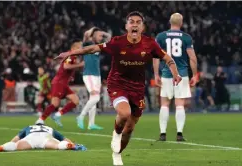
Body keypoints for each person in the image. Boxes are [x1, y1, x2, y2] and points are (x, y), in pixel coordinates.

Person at [56, 11, 181, 166]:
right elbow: (92, 48)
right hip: (118, 84)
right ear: (126, 26)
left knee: (129, 129)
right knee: (124, 112)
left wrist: (175, 74)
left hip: (137, 89)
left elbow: (168, 59)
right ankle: (116, 134)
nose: (135, 24)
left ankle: (117, 155)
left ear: (142, 27)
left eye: (138, 22)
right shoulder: (117, 42)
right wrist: (70, 53)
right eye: (131, 21)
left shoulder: (150, 44)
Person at [154, 13, 198, 141]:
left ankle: (163, 134)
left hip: (167, 74)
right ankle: (179, 133)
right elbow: (192, 57)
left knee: (164, 104)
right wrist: (194, 75)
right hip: (182, 75)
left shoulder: (161, 36)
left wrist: (156, 74)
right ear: (181, 23)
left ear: (170, 21)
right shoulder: (186, 38)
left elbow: (156, 57)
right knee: (180, 105)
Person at [35, 40, 84, 127]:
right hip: (59, 83)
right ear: (74, 48)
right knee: (55, 104)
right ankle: (40, 120)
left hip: (63, 84)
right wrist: (80, 65)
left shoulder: (74, 57)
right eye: (80, 47)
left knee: (75, 100)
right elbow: (66, 66)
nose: (82, 49)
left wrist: (71, 75)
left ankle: (57, 115)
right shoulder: (70, 55)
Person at [76, 27, 111, 130]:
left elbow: (109, 38)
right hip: (89, 74)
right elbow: (86, 34)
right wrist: (94, 31)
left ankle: (91, 124)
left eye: (101, 36)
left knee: (93, 99)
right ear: (94, 36)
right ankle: (80, 116)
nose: (101, 37)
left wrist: (102, 32)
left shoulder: (99, 46)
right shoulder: (87, 44)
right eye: (99, 36)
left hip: (97, 75)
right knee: (96, 98)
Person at [0, 124, 86, 152]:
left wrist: (7, 144)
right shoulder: (50, 128)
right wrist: (71, 143)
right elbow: (64, 138)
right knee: (57, 145)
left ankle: (0, 148)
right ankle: (71, 147)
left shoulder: (29, 127)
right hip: (46, 137)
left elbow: (15, 139)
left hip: (30, 138)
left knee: (15, 146)